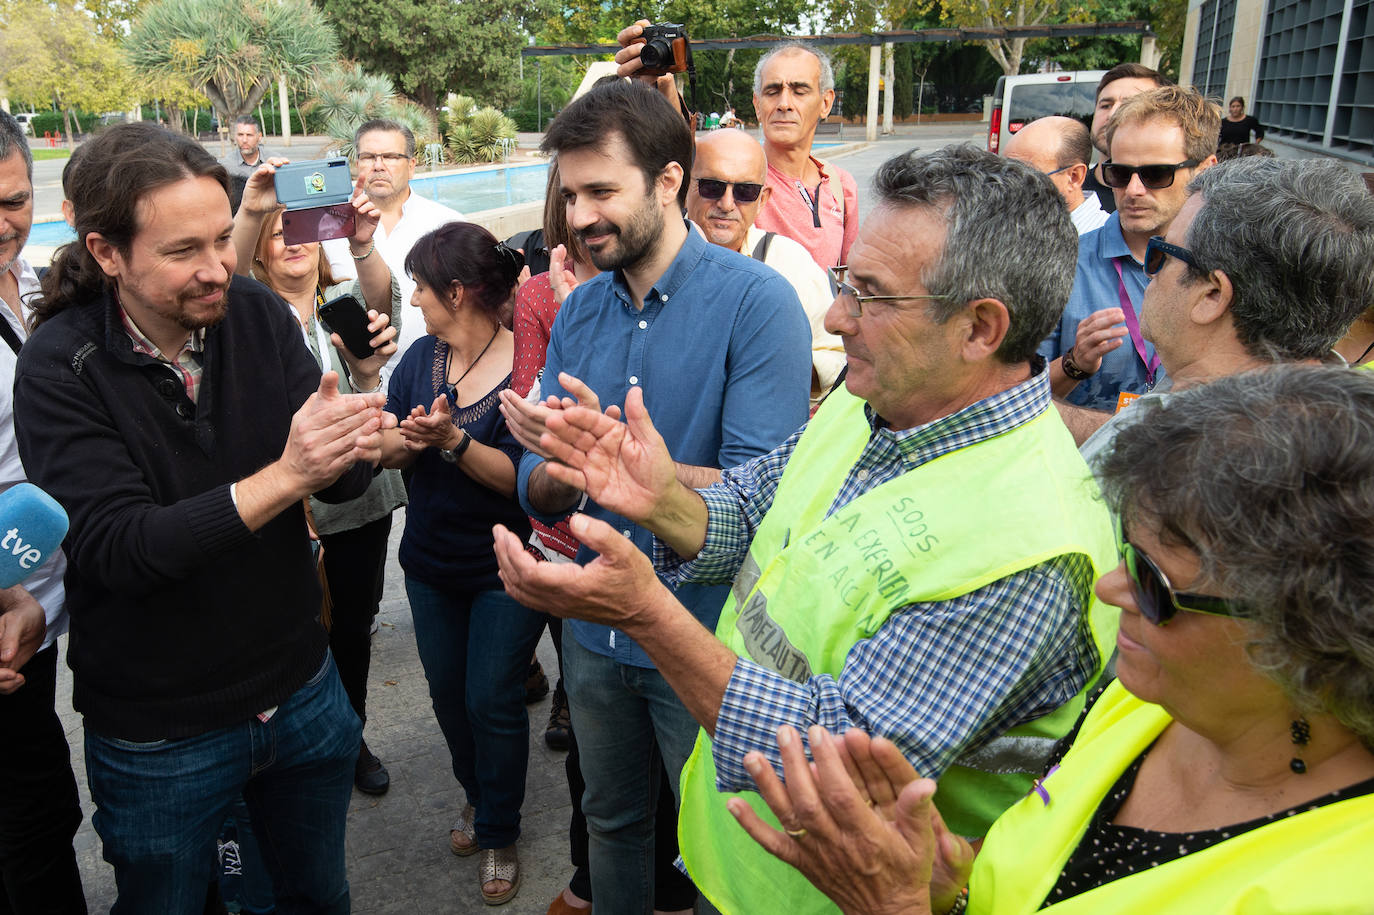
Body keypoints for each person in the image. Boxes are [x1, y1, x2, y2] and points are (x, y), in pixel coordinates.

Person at [492, 144, 1121, 915]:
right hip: (739, 867)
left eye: (871, 295)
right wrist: (658, 497)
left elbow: (835, 766)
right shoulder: (874, 401)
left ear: (981, 328)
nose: (835, 315)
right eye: (845, 282)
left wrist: (643, 611)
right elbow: (755, 504)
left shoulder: (1033, 547)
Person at [734, 365, 1374, 915]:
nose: (1110, 589)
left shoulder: (1338, 886)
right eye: (1128, 550)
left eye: (1153, 583)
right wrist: (951, 890)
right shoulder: (1141, 704)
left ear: (1308, 636)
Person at [15, 122, 388, 913]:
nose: (217, 268)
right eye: (183, 250)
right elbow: (120, 548)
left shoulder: (250, 312)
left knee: (318, 894)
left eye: (223, 238)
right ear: (107, 251)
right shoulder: (61, 365)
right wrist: (291, 473)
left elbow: (341, 484)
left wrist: (361, 442)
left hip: (302, 692)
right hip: (162, 734)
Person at [498, 79, 812, 915]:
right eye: (570, 195)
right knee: (611, 821)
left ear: (669, 182)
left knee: (727, 847)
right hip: (593, 636)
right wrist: (566, 464)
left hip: (705, 640)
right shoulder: (583, 311)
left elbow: (765, 483)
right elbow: (537, 486)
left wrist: (628, 466)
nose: (580, 215)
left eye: (601, 191)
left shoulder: (757, 303)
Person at [377, 222, 543, 907]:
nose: (412, 299)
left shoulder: (526, 365)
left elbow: (518, 479)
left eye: (418, 286)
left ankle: (500, 827)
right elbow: (390, 443)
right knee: (448, 695)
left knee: (491, 697)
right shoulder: (421, 357)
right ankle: (478, 795)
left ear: (455, 290)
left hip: (507, 566)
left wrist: (449, 440)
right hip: (429, 563)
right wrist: (401, 440)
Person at [231, 160, 407, 795]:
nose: (294, 240)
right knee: (303, 632)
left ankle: (349, 736)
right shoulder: (243, 322)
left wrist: (363, 244)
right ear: (255, 249)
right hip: (287, 511)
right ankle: (294, 746)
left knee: (353, 629)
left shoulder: (342, 307)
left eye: (301, 225)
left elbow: (382, 300)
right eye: (277, 232)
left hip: (361, 502)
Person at [1079, 156, 1374, 463]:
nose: (1148, 271)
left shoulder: (1157, 462)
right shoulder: (1350, 444)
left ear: (1212, 294)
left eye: (1160, 254)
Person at [0, 108, 87, 915]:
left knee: (48, 804)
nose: (2, 223)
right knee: (29, 816)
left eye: (15, 199)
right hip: (4, 610)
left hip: (50, 594)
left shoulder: (33, 279)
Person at [1039, 86, 1219, 440]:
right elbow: (1011, 396)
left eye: (1155, 174)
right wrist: (1074, 364)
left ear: (1205, 171)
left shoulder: (1230, 271)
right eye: (1120, 174)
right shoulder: (1059, 262)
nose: (1134, 190)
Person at [616, 29, 859, 270]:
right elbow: (669, 146)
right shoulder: (715, 168)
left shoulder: (840, 186)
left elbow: (851, 276)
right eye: (772, 91)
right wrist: (652, 82)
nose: (784, 104)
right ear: (757, 104)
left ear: (826, 102)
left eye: (799, 91)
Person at [685, 128, 844, 407]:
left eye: (745, 192)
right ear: (685, 186)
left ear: (763, 199)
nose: (726, 203)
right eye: (712, 186)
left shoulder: (788, 262)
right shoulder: (653, 258)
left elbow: (835, 355)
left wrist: (763, 363)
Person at [324, 119, 464, 374]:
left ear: (411, 166)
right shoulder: (327, 228)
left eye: (390, 156)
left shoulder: (448, 225)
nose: (378, 166)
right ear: (357, 165)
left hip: (432, 374)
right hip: (350, 376)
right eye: (368, 157)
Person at [1081, 63, 1171, 214]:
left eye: (1129, 105)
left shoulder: (1178, 203)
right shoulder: (1068, 193)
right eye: (1106, 105)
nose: (1112, 115)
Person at [1003, 116, 1108, 234]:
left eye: (1027, 178)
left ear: (1074, 177)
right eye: (1006, 174)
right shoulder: (1003, 229)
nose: (1010, 187)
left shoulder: (1109, 240)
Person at [219, 116, 270, 213]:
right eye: (240, 135)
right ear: (235, 137)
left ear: (259, 136)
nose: (244, 140)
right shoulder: (225, 166)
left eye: (249, 135)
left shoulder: (273, 162)